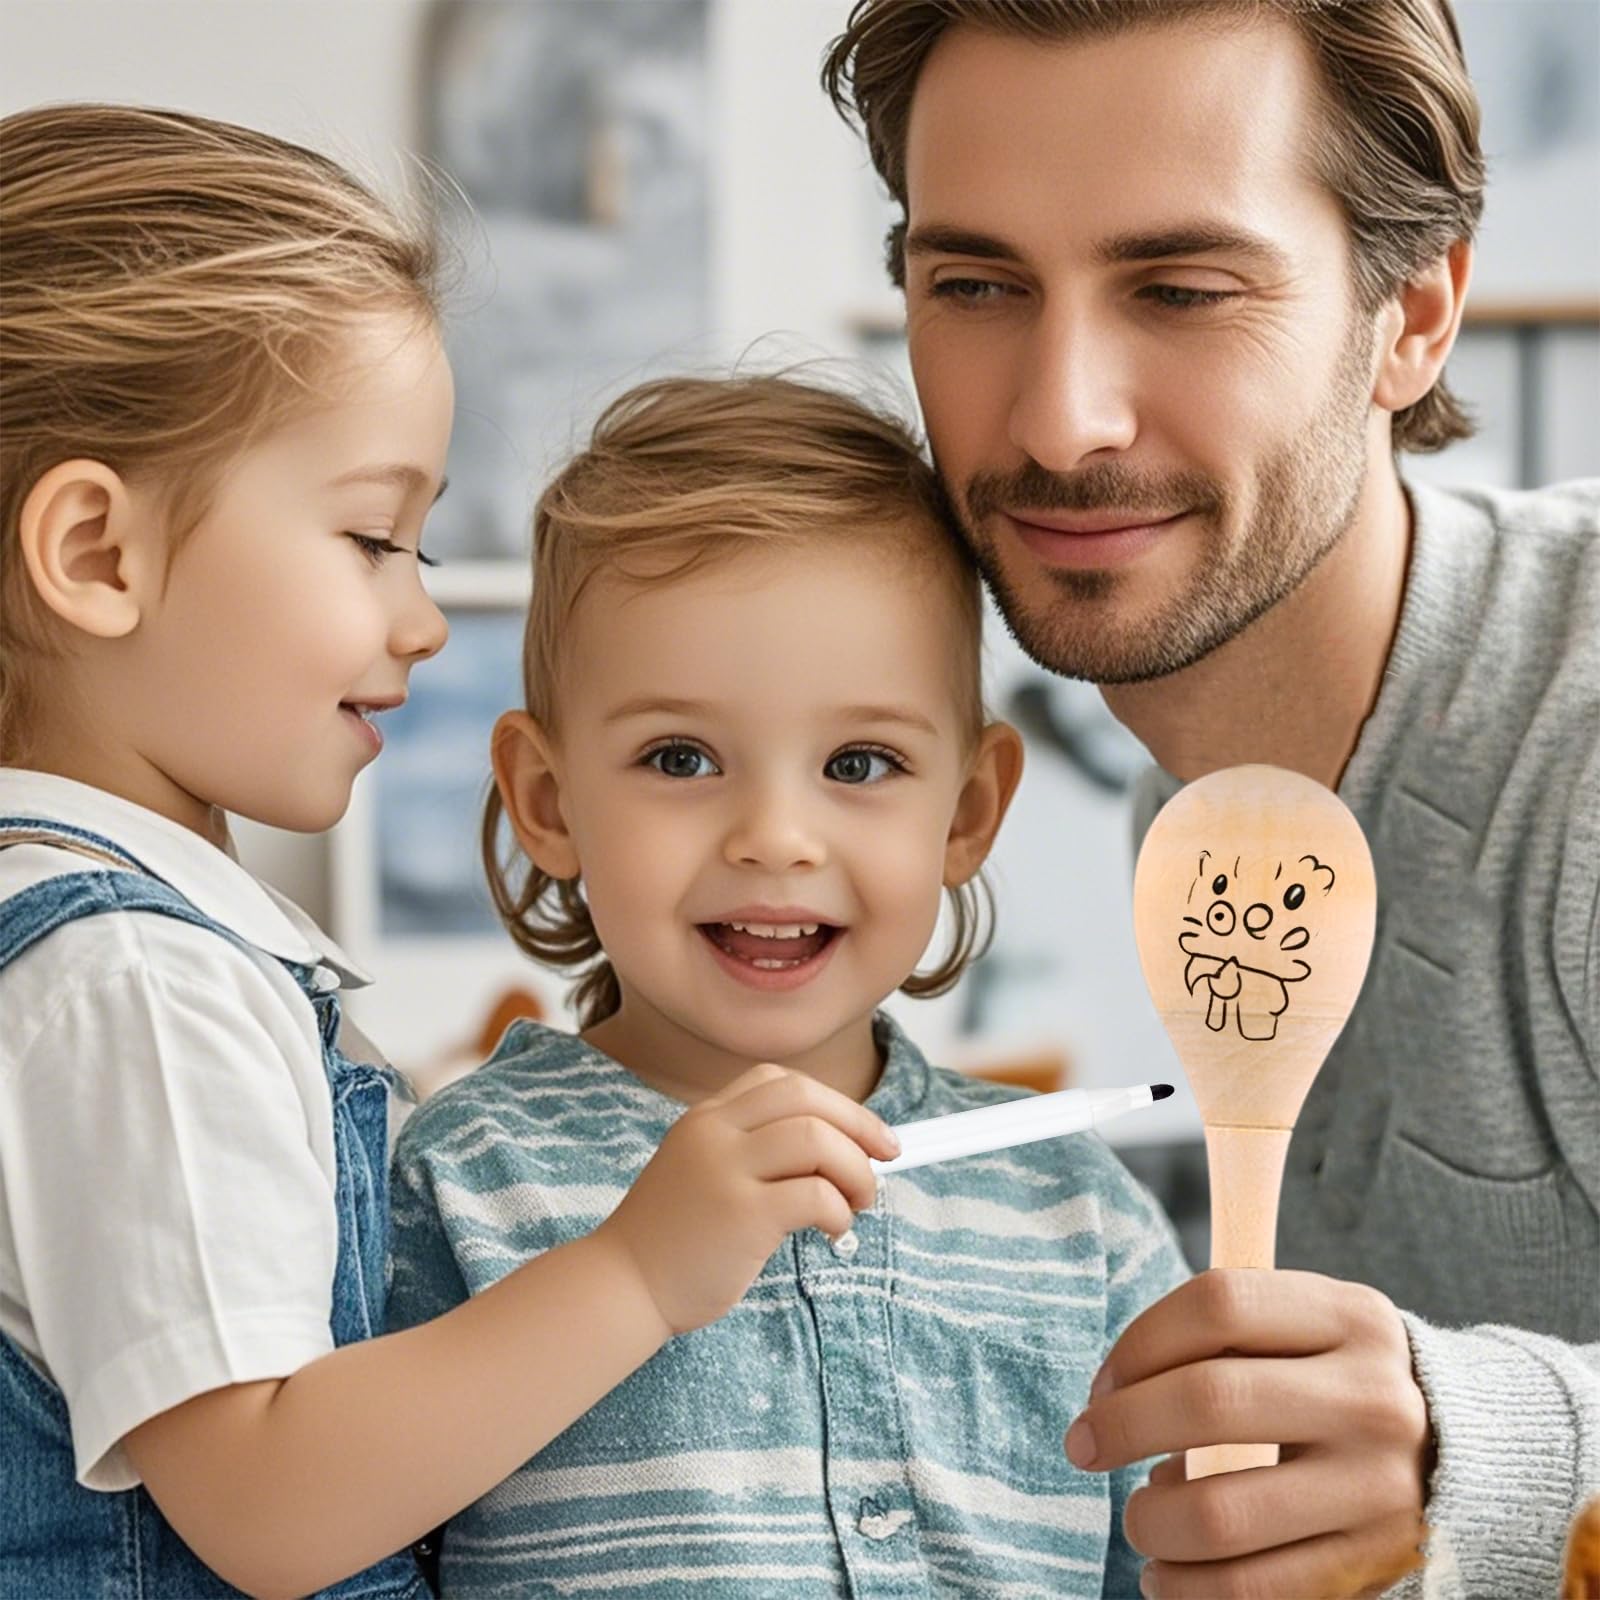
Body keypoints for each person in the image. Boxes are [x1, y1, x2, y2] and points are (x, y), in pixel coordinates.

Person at [0, 106, 870, 1600]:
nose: (419, 616)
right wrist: (637, 1271)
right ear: (98, 555)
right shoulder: (132, 978)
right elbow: (269, 1504)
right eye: (367, 538)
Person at [823, 1, 1598, 1596]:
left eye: (1179, 289)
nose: (1058, 420)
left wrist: (1495, 1448)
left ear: (1415, 314)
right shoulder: (1210, 799)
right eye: (975, 286)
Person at [386, 371, 1191, 1597]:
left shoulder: (1078, 1214)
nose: (774, 835)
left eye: (858, 761)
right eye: (680, 756)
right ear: (547, 801)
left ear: (967, 811)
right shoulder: (457, 1179)